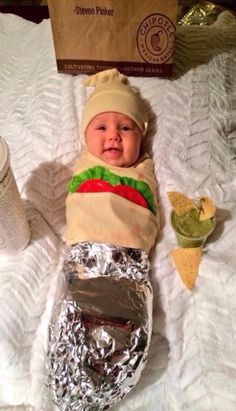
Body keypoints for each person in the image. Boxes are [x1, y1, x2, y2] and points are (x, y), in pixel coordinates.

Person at [47, 69, 160, 411]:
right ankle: (72, 385)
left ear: (141, 137)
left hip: (128, 264)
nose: (113, 136)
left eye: (125, 128)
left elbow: (146, 217)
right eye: (101, 127)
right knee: (74, 314)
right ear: (85, 137)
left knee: (127, 325)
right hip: (85, 258)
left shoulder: (142, 168)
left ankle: (103, 384)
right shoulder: (86, 162)